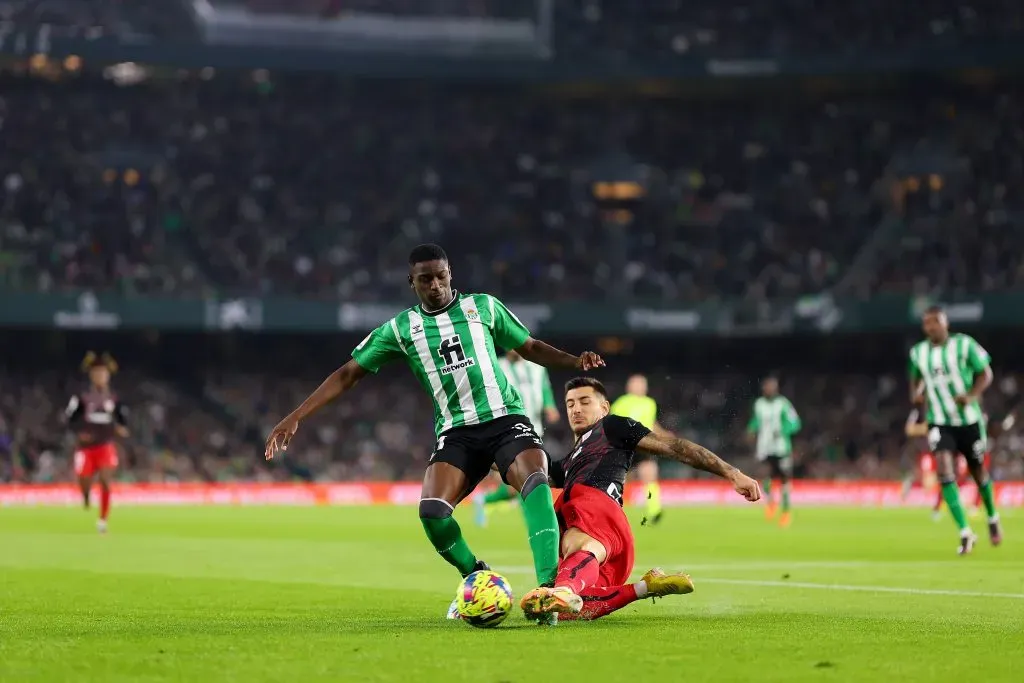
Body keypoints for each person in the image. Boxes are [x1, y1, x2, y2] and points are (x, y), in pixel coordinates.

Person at [264, 244, 605, 624]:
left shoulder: (483, 307)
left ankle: (548, 591)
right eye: (425, 279)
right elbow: (348, 374)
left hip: (505, 418)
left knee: (535, 482)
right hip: (456, 431)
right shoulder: (401, 329)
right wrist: (296, 415)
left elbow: (530, 347)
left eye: (441, 276)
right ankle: (476, 576)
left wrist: (575, 361)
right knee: (432, 512)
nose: (435, 285)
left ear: (450, 273)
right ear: (411, 282)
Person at [519, 377, 761, 620]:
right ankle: (645, 587)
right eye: (570, 404)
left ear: (604, 407)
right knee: (570, 610)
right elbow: (526, 472)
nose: (576, 409)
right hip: (610, 534)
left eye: (584, 401)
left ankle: (562, 590)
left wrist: (732, 473)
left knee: (579, 549)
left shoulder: (612, 426)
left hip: (594, 510)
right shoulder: (572, 459)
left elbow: (676, 447)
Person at [908, 305, 1001, 554]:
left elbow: (985, 373)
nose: (931, 327)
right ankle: (965, 532)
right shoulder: (918, 353)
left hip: (969, 421)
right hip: (939, 421)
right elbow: (916, 378)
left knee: (978, 471)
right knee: (944, 471)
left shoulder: (964, 345)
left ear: (945, 323)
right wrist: (916, 394)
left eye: (935, 322)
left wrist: (971, 396)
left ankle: (992, 516)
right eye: (927, 323)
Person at [474, 349, 560, 527]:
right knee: (528, 477)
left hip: (535, 429)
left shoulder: (537, 367)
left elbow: (544, 388)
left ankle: (484, 500)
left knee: (517, 485)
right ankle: (536, 526)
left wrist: (549, 405)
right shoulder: (496, 366)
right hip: (509, 430)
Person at [64, 352, 128, 534]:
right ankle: (86, 496)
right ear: (91, 375)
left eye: (103, 373)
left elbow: (122, 420)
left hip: (105, 445)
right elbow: (69, 419)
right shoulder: (82, 398)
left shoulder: (114, 399)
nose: (100, 376)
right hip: (85, 448)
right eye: (97, 373)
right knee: (84, 480)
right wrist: (80, 433)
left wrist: (121, 428)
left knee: (106, 481)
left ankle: (102, 520)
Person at [609, 375, 670, 525]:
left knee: (649, 473)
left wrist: (664, 435)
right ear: (629, 386)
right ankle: (611, 510)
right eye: (636, 384)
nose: (640, 387)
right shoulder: (621, 403)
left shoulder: (650, 403)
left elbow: (651, 423)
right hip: (625, 446)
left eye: (642, 384)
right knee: (620, 479)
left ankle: (654, 510)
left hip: (644, 444)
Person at [746, 375, 801, 527]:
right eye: (766, 387)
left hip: (781, 448)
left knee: (784, 480)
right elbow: (756, 420)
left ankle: (786, 512)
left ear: (776, 388)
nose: (768, 389)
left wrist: (783, 431)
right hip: (765, 447)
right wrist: (751, 429)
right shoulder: (759, 404)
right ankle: (771, 502)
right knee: (764, 477)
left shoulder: (783, 404)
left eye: (771, 387)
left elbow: (796, 423)